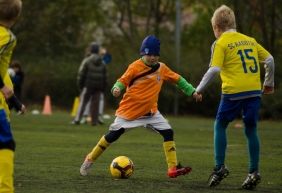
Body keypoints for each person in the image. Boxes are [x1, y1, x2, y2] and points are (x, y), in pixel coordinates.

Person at [79, 35, 202, 178]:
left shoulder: (162, 68)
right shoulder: (134, 67)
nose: (152, 57)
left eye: (155, 55)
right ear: (142, 54)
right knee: (112, 136)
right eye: (149, 54)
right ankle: (89, 159)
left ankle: (172, 168)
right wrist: (116, 89)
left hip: (151, 114)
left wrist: (192, 91)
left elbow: (178, 80)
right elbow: (122, 81)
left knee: (168, 132)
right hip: (129, 113)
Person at [195, 5, 275, 190]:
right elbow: (270, 59)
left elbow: (214, 69)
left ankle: (219, 167)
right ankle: (253, 172)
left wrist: (199, 89)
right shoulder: (250, 40)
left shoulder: (220, 42)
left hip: (233, 92)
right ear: (233, 23)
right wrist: (268, 84)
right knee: (251, 129)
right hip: (254, 91)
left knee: (220, 124)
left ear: (216, 27)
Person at [0, 1, 23, 193]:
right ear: (16, 17)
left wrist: (15, 102)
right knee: (6, 142)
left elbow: (5, 81)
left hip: (3, 104)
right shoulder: (7, 38)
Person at [72, 42, 107, 126]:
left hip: (88, 85)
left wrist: (80, 86)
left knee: (83, 102)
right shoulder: (102, 62)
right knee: (96, 104)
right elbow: (105, 76)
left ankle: (77, 119)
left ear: (91, 50)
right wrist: (103, 87)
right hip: (98, 86)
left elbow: (81, 74)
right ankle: (94, 121)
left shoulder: (87, 60)